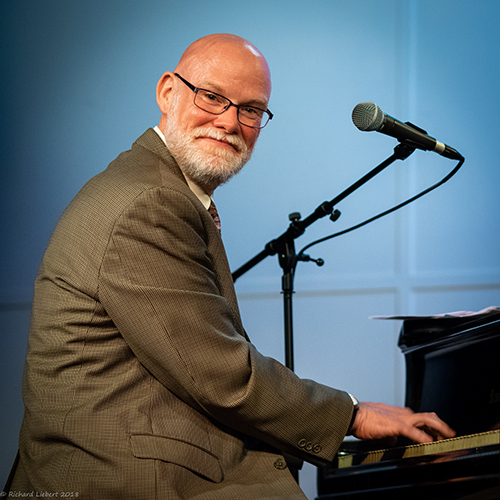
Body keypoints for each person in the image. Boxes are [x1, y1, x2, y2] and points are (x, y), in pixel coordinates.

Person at [7, 33, 455, 499]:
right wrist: (354, 414)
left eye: (251, 109)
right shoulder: (149, 202)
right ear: (167, 92)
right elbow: (221, 375)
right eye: (212, 97)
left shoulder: (154, 186)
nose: (229, 121)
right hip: (117, 475)